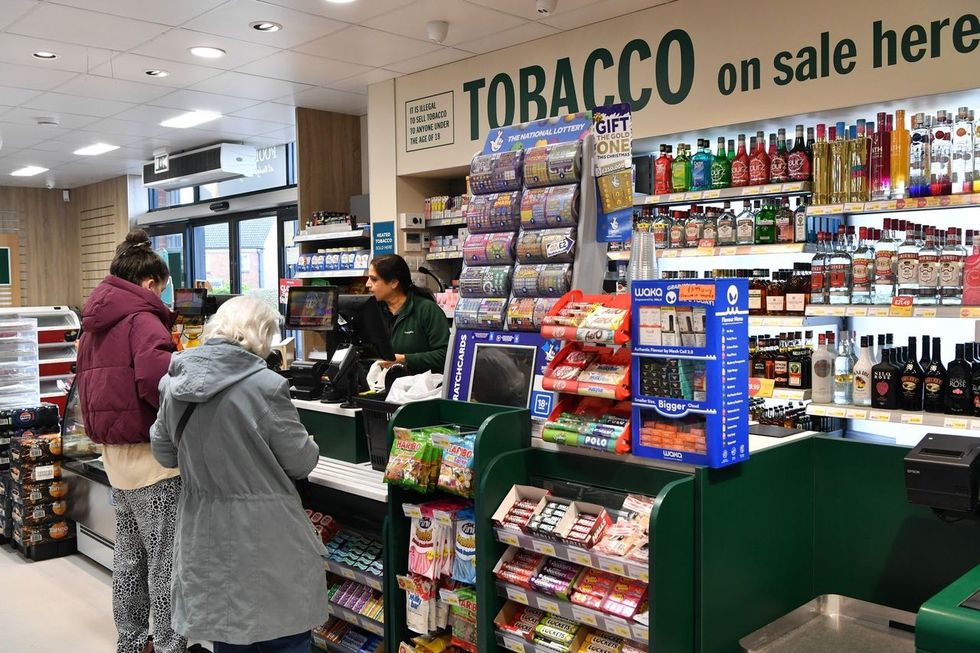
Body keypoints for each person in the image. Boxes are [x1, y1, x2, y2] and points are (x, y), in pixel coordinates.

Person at [150, 296, 328, 653]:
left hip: (204, 530)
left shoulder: (173, 385)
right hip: (266, 534)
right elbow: (301, 461)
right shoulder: (266, 386)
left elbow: (164, 452)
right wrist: (309, 441)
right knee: (283, 636)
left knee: (227, 632)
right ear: (261, 335)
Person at [75, 229, 186, 653]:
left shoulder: (95, 323)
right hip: (152, 459)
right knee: (165, 559)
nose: (164, 292)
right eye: (162, 285)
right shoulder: (142, 318)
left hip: (115, 458)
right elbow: (156, 382)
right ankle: (171, 643)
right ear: (147, 284)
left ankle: (133, 638)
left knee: (129, 556)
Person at [366, 254, 450, 374]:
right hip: (380, 386)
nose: (367, 284)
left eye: (374, 279)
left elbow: (445, 354)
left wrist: (405, 359)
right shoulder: (372, 312)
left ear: (394, 282)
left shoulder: (426, 310)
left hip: (421, 388)